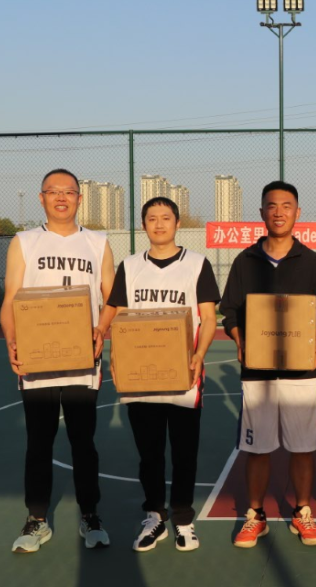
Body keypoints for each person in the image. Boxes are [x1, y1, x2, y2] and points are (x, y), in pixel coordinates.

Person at [0, 168, 115, 553]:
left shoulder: (97, 243)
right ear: (42, 198)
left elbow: (112, 297)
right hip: (38, 359)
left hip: (82, 359)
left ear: (80, 198)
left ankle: (90, 514)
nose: (61, 198)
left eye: (69, 192)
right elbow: (10, 299)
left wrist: (102, 329)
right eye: (54, 191)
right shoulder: (24, 242)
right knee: (39, 440)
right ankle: (37, 519)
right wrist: (11, 339)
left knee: (84, 441)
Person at [96, 197, 220, 552]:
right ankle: (154, 515)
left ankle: (183, 518)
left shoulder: (197, 264)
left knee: (184, 452)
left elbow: (209, 318)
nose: (159, 223)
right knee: (149, 453)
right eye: (152, 218)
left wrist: (199, 354)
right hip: (141, 375)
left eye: (166, 217)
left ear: (177, 223)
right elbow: (119, 316)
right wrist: (117, 358)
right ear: (144, 225)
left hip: (184, 374)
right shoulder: (130, 266)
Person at [220, 181, 316, 548]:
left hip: (302, 372)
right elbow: (230, 311)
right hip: (257, 373)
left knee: (302, 447)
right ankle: (256, 516)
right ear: (262, 213)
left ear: (298, 212)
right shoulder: (245, 261)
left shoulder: (313, 263)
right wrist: (239, 339)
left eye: (287, 205)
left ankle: (302, 512)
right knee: (257, 448)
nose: (279, 212)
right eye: (272, 205)